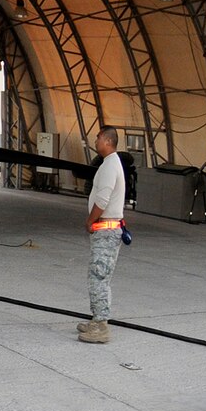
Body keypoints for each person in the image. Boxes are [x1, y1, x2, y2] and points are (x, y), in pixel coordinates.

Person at [79, 127, 129, 343]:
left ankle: (100, 327)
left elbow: (103, 199)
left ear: (108, 140)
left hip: (106, 230)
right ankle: (98, 319)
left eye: (99, 137)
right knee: (101, 277)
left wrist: (90, 220)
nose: (96, 140)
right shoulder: (110, 163)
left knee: (98, 277)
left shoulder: (109, 165)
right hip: (108, 230)